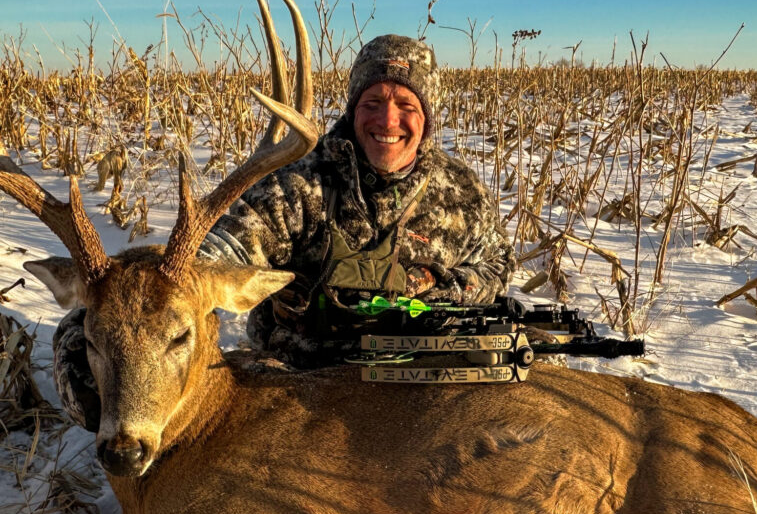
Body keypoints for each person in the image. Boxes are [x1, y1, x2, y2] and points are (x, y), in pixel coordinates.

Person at [53, 35, 516, 429]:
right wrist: (110, 311)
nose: (387, 121)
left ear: (427, 116)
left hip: (421, 373)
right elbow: (220, 256)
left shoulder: (462, 191)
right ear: (354, 108)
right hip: (300, 379)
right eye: (373, 102)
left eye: (406, 105)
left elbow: (497, 264)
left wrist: (438, 288)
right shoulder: (298, 185)